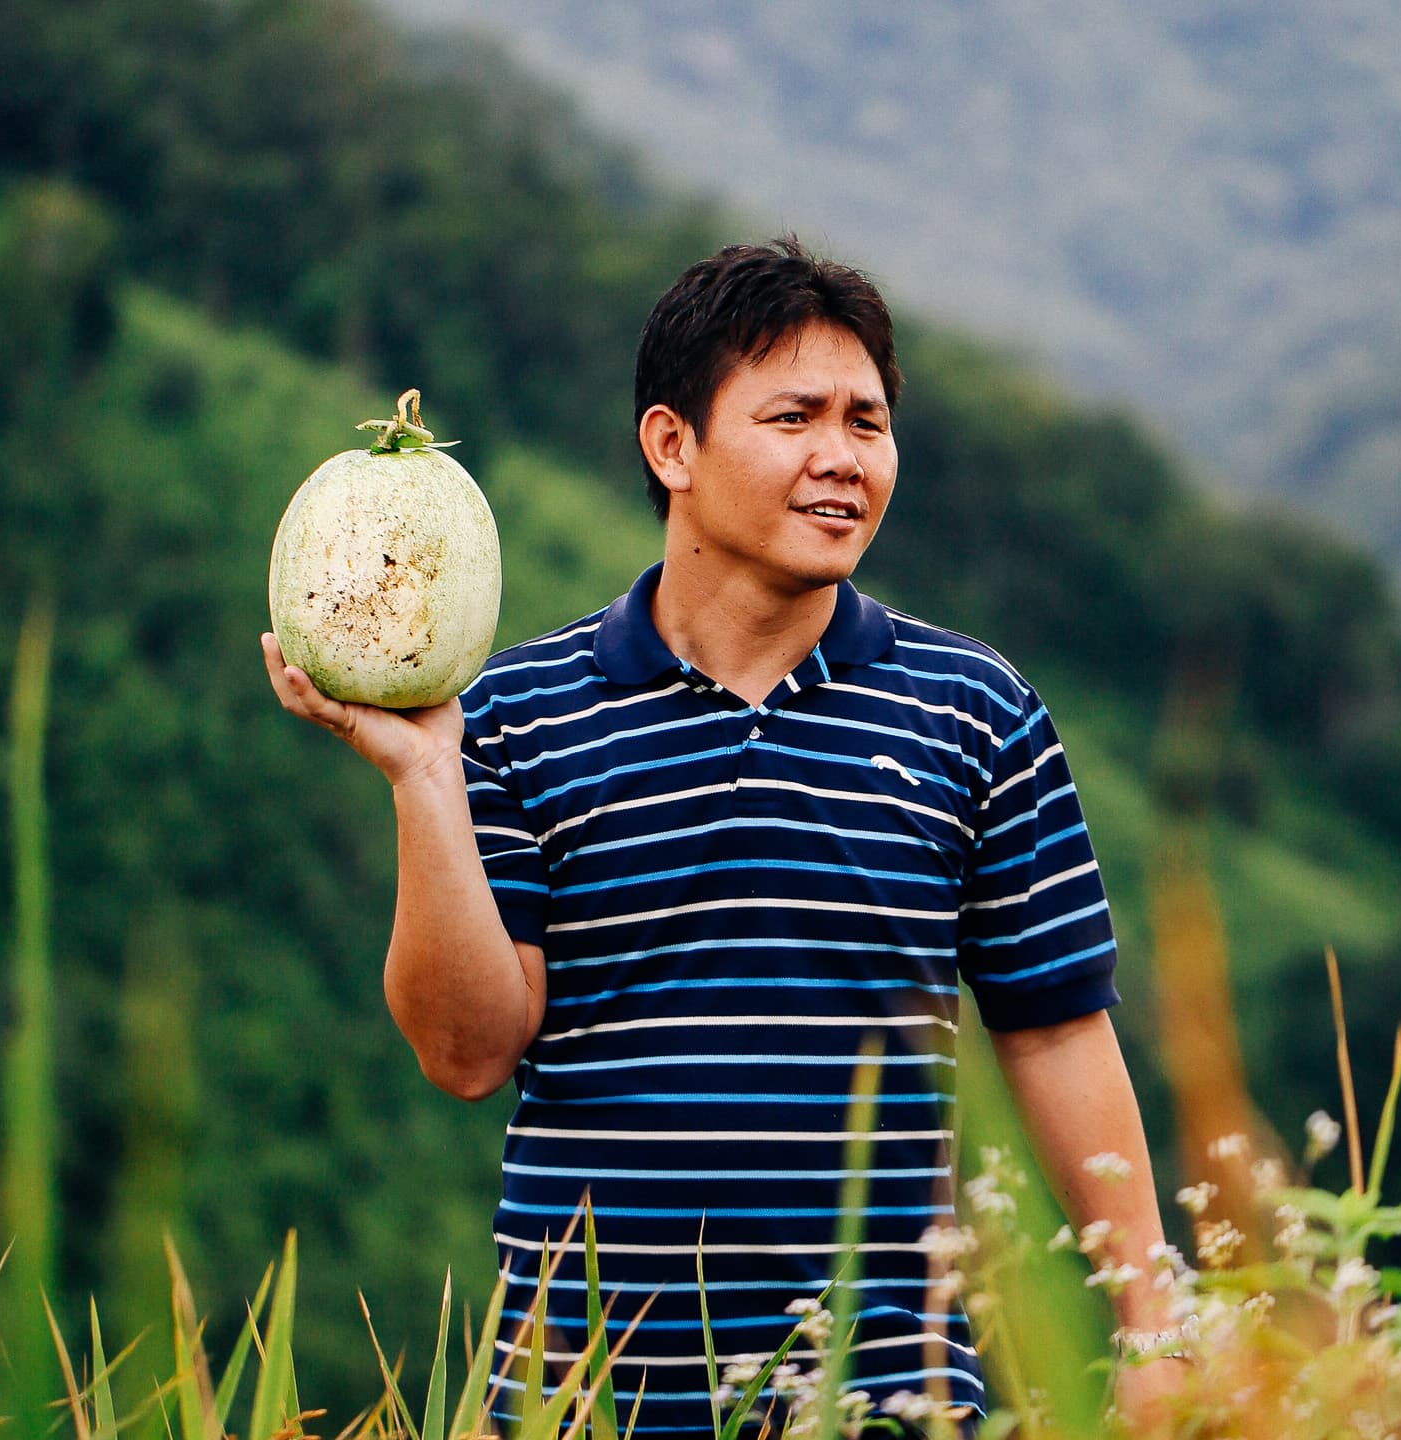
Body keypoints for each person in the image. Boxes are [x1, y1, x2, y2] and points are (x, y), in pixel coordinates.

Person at [263, 237, 1185, 1435]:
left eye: (868, 421)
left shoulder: (977, 711)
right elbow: (466, 1052)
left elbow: (1058, 1033)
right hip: (583, 1397)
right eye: (794, 416)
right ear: (672, 445)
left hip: (885, 1397)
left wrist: (1157, 1326)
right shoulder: (511, 715)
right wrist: (424, 778)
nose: (841, 458)